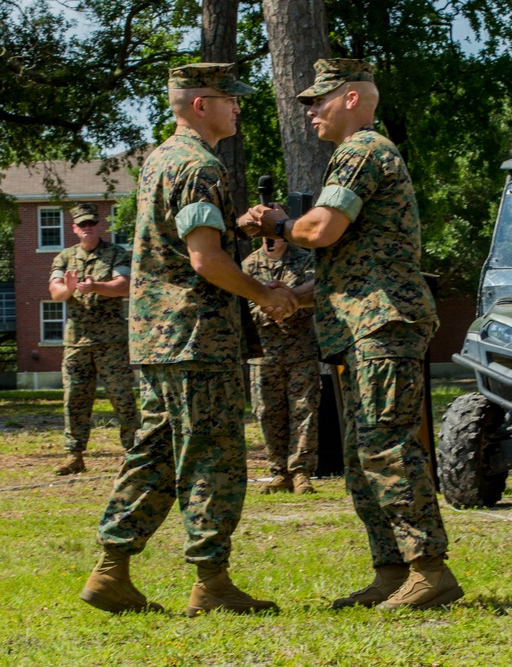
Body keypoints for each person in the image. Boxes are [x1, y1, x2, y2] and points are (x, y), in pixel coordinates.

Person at [242, 58, 462, 610]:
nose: (311, 111)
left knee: (388, 445)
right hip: (361, 320)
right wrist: (292, 294)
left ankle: (428, 570)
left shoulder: (363, 149)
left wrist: (274, 223)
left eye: (319, 100)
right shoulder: (360, 153)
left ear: (354, 99)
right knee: (364, 455)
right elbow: (354, 262)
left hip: (383, 323)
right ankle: (392, 570)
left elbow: (319, 229)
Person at [80, 62, 298, 616]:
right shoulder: (201, 165)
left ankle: (111, 570)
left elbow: (184, 242)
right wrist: (263, 293)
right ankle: (212, 583)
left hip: (155, 338)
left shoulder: (161, 159)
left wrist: (238, 228)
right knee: (213, 456)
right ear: (201, 104)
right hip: (197, 338)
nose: (238, 107)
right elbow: (205, 260)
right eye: (230, 98)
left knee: (153, 453)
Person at [48, 203, 139, 476]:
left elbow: (124, 286)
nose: (87, 229)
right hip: (77, 341)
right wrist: (70, 289)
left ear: (98, 225)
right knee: (75, 398)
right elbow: (55, 292)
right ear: (74, 228)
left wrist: (95, 286)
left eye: (91, 224)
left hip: (111, 341)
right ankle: (74, 455)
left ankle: (133, 454)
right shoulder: (64, 258)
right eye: (82, 225)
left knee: (122, 397)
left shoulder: (115, 253)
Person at [243, 238, 320, 494]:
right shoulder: (248, 265)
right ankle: (278, 473)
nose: (270, 238)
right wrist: (267, 311)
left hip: (301, 350)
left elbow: (317, 296)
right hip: (264, 354)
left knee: (304, 410)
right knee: (267, 412)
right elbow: (242, 307)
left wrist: (288, 309)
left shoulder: (306, 261)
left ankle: (301, 473)